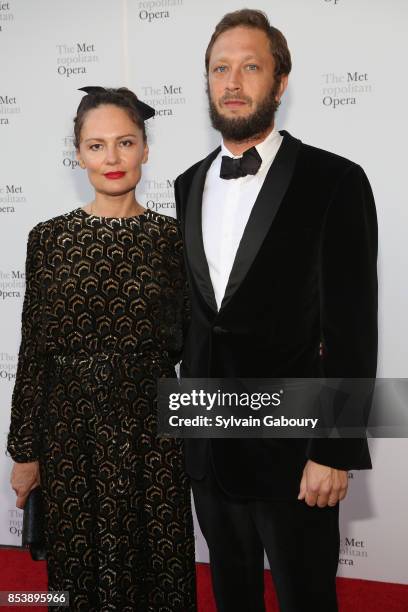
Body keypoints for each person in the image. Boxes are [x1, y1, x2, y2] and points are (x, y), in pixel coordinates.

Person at [175, 9, 377, 612]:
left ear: (280, 82)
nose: (232, 82)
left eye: (251, 67)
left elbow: (354, 324)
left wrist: (334, 449)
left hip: (296, 454)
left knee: (306, 598)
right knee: (231, 596)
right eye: (220, 69)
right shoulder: (187, 184)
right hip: (209, 444)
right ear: (207, 81)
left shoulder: (334, 180)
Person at [8, 86, 196, 612]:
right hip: (70, 433)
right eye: (96, 146)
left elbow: (195, 342)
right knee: (77, 571)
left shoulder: (174, 240)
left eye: (125, 142)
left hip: (152, 432)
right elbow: (34, 348)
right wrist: (26, 450)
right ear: (78, 154)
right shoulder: (47, 239)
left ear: (145, 149)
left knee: (157, 564)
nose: (111, 159)